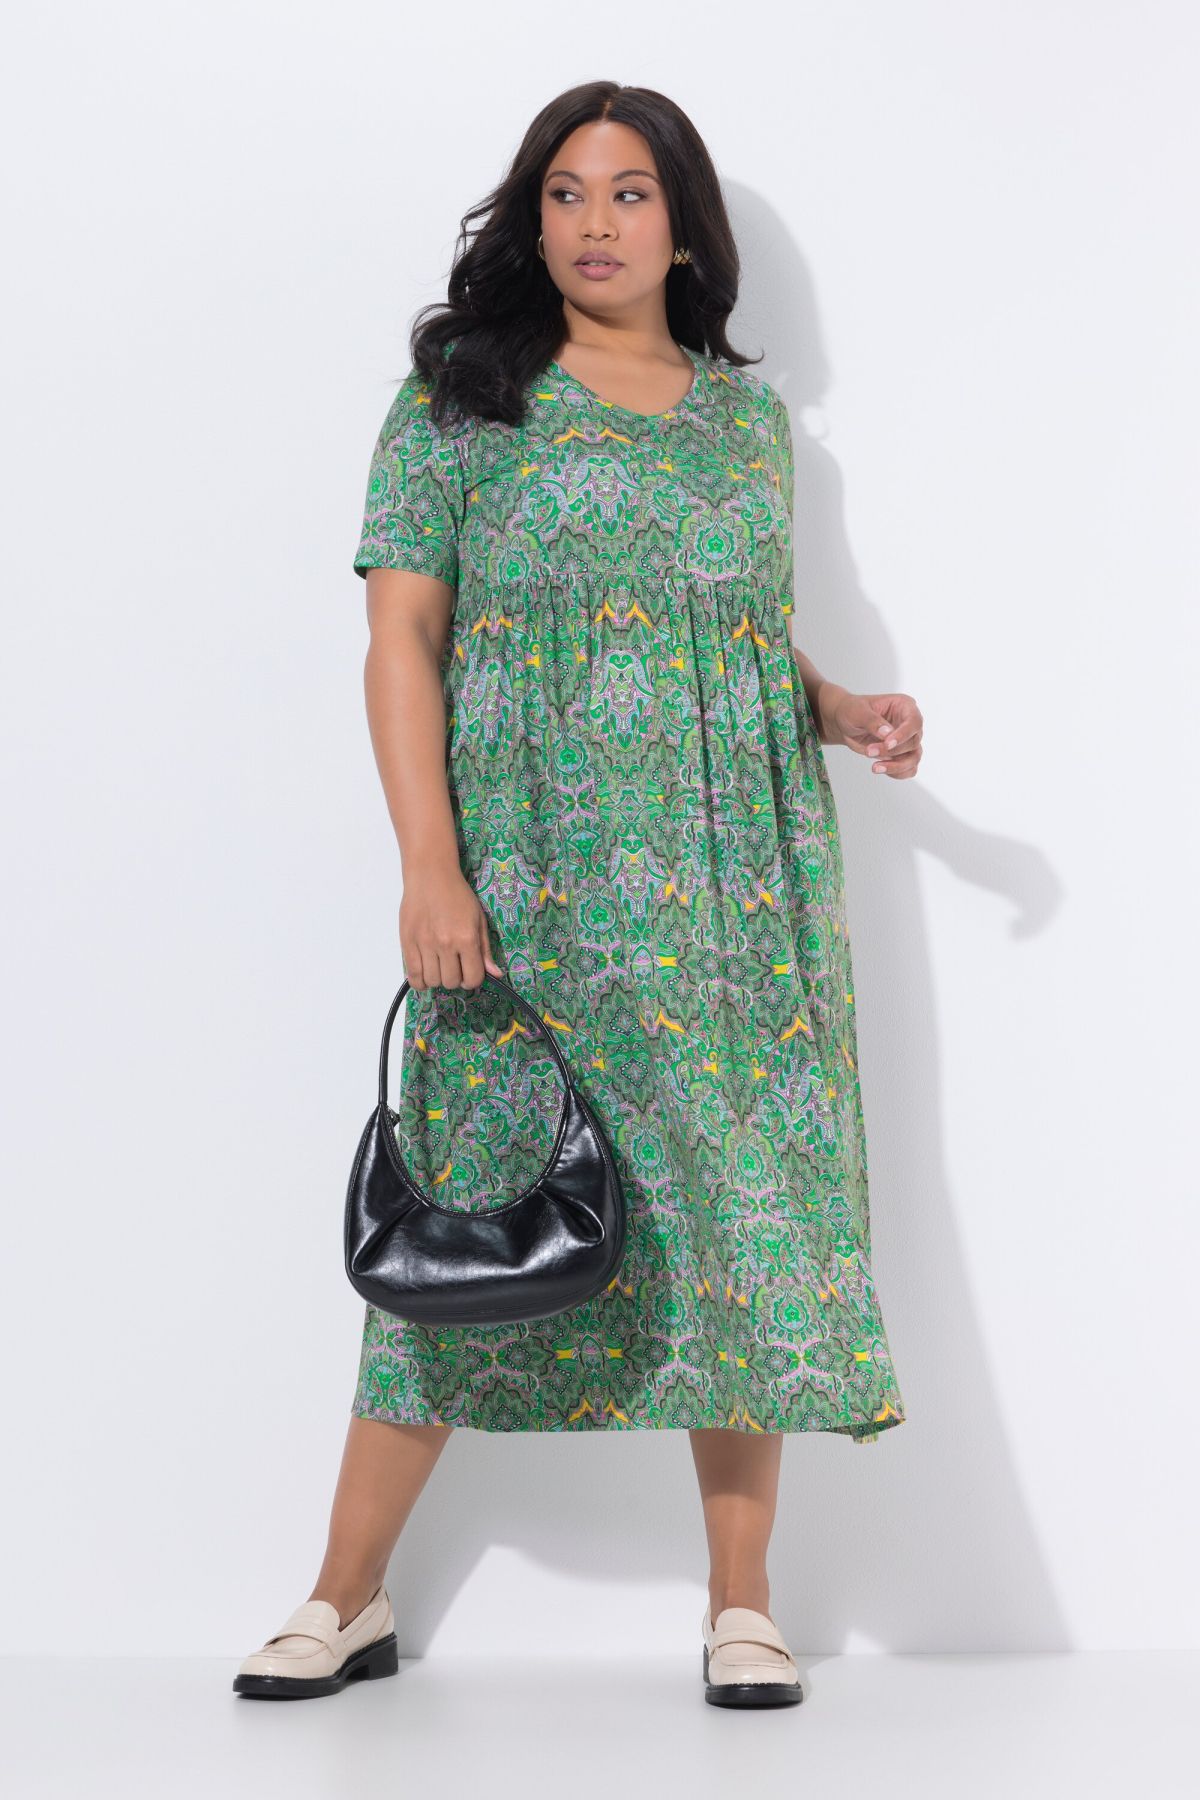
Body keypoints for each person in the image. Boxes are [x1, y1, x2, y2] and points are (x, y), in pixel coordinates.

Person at [234, 79, 923, 1710]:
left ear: (684, 228)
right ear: (528, 219)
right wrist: (430, 865)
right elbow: (401, 639)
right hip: (527, 884)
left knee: (739, 1224)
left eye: (628, 194)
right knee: (466, 1219)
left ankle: (743, 1605)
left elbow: (726, 631)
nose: (594, 223)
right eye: (564, 192)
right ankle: (344, 1597)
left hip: (733, 888)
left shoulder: (747, 428)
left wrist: (838, 705)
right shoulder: (461, 401)